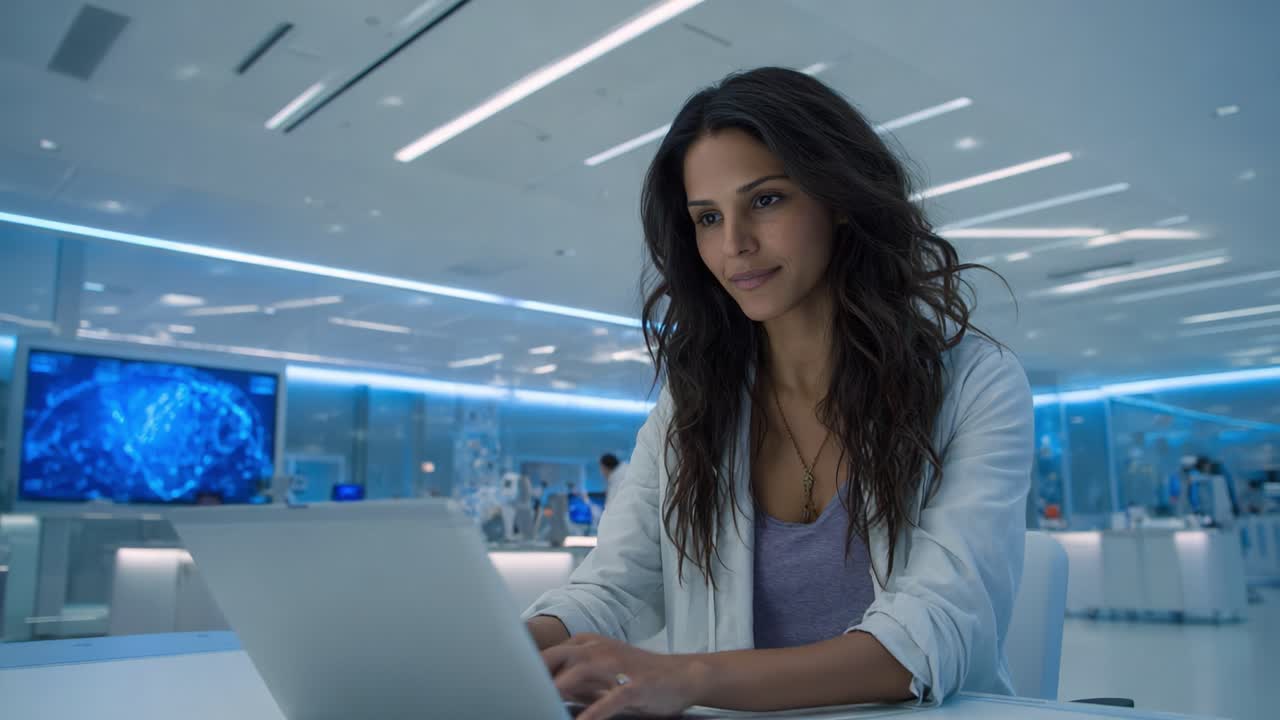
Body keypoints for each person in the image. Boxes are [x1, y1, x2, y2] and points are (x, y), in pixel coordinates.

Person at [523, 67, 1032, 719]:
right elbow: (614, 585)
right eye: (708, 217)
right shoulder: (695, 403)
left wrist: (690, 677)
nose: (734, 245)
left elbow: (929, 634)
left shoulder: (975, 383)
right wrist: (500, 649)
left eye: (765, 200)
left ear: (838, 197)